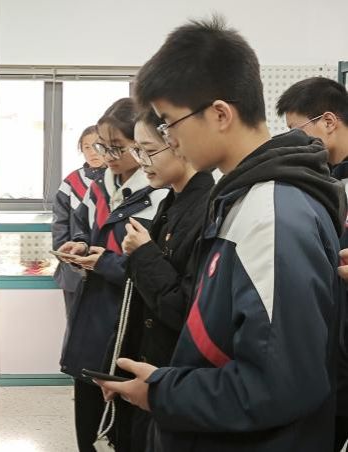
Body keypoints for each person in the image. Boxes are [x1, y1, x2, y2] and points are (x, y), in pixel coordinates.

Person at [97, 17, 347, 452]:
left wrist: (163, 393)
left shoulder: (272, 214)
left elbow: (278, 384)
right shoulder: (243, 198)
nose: (170, 140)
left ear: (219, 114)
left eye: (170, 123)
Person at [57, 98, 168, 451]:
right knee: (87, 414)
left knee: (124, 422)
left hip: (131, 318)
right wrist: (79, 246)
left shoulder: (160, 193)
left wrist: (103, 262)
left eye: (117, 147)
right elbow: (82, 228)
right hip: (93, 311)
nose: (107, 155)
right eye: (102, 146)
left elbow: (155, 269)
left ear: (141, 143)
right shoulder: (98, 186)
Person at [104, 108, 214, 450]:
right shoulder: (172, 201)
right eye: (137, 151)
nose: (142, 162)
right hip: (149, 363)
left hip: (175, 373)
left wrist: (144, 253)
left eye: (149, 151)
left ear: (179, 142)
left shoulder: (206, 208)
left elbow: (183, 308)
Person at [276, 77, 348, 452]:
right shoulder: (325, 179)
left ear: (328, 121)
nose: (295, 140)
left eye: (297, 129)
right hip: (331, 346)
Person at [52, 125, 106, 318]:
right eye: (86, 147)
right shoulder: (71, 182)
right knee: (75, 322)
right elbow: (60, 223)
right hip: (75, 271)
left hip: (106, 266)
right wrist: (66, 256)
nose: (92, 152)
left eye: (97, 146)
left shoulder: (117, 179)